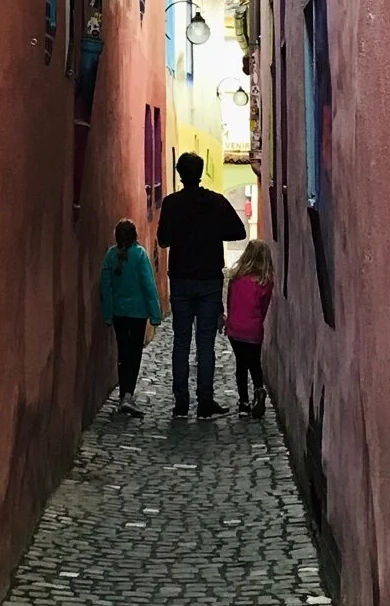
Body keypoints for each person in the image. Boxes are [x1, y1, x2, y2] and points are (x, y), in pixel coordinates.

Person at [155, 152, 244, 419]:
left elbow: (162, 240)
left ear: (180, 174)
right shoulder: (215, 203)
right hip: (208, 281)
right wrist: (214, 231)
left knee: (181, 342)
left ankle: (181, 403)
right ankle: (205, 402)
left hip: (181, 279)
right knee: (205, 343)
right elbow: (238, 231)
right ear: (201, 172)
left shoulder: (171, 204)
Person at [99, 219, 161, 418]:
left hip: (119, 313)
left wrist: (108, 314)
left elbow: (105, 287)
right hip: (138, 314)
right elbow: (148, 285)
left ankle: (123, 395)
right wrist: (155, 314)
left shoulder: (110, 256)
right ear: (134, 235)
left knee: (123, 352)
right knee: (134, 354)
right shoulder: (140, 255)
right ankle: (127, 394)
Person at [224, 239, 275, 418]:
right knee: (254, 362)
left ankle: (244, 403)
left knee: (241, 364)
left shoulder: (236, 278)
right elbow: (264, 307)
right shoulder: (265, 282)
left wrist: (228, 321)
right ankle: (259, 390)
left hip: (235, 328)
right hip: (253, 328)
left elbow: (230, 302)